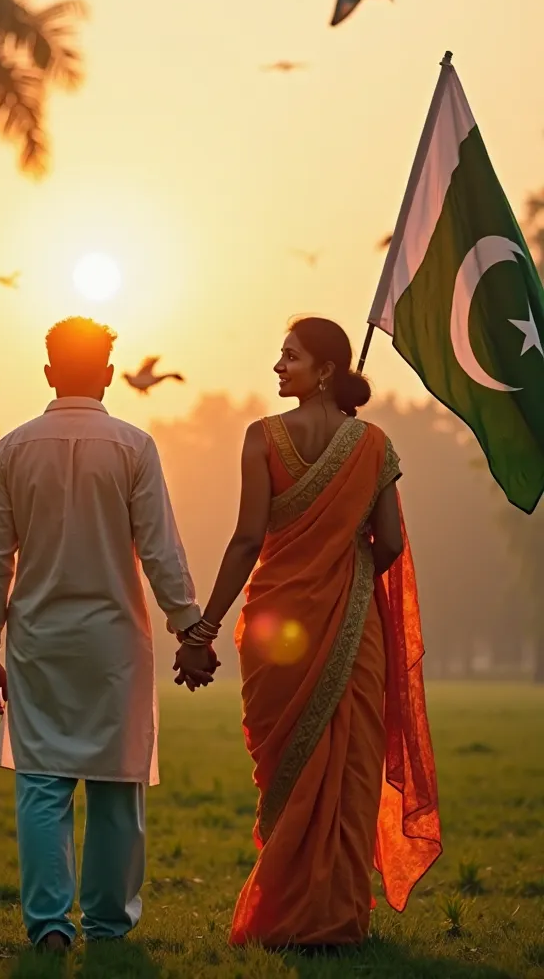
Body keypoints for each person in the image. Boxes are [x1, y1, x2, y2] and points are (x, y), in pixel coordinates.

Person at [178, 317, 442, 949]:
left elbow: (247, 539)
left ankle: (290, 918)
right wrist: (344, 573)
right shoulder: (374, 444)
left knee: (300, 773)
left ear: (325, 370)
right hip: (355, 630)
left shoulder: (260, 438)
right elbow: (391, 543)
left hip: (276, 630)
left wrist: (203, 628)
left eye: (290, 356)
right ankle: (338, 922)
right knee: (347, 772)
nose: (277, 366)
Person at [0, 316, 216, 952]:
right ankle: (108, 927)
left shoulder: (14, 449)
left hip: (38, 644)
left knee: (42, 783)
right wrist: (190, 626)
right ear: (109, 375)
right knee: (116, 783)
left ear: (48, 373)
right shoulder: (134, 447)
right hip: (115, 646)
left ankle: (49, 926)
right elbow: (160, 550)